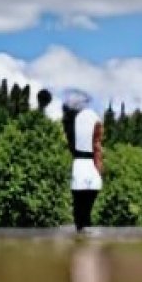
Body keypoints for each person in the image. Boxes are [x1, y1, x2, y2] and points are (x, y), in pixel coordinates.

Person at [61, 89, 103, 232]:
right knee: (85, 213)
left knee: (79, 213)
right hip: (89, 166)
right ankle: (85, 244)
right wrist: (99, 169)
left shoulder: (70, 121)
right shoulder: (94, 117)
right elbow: (97, 145)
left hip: (80, 166)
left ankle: (81, 243)